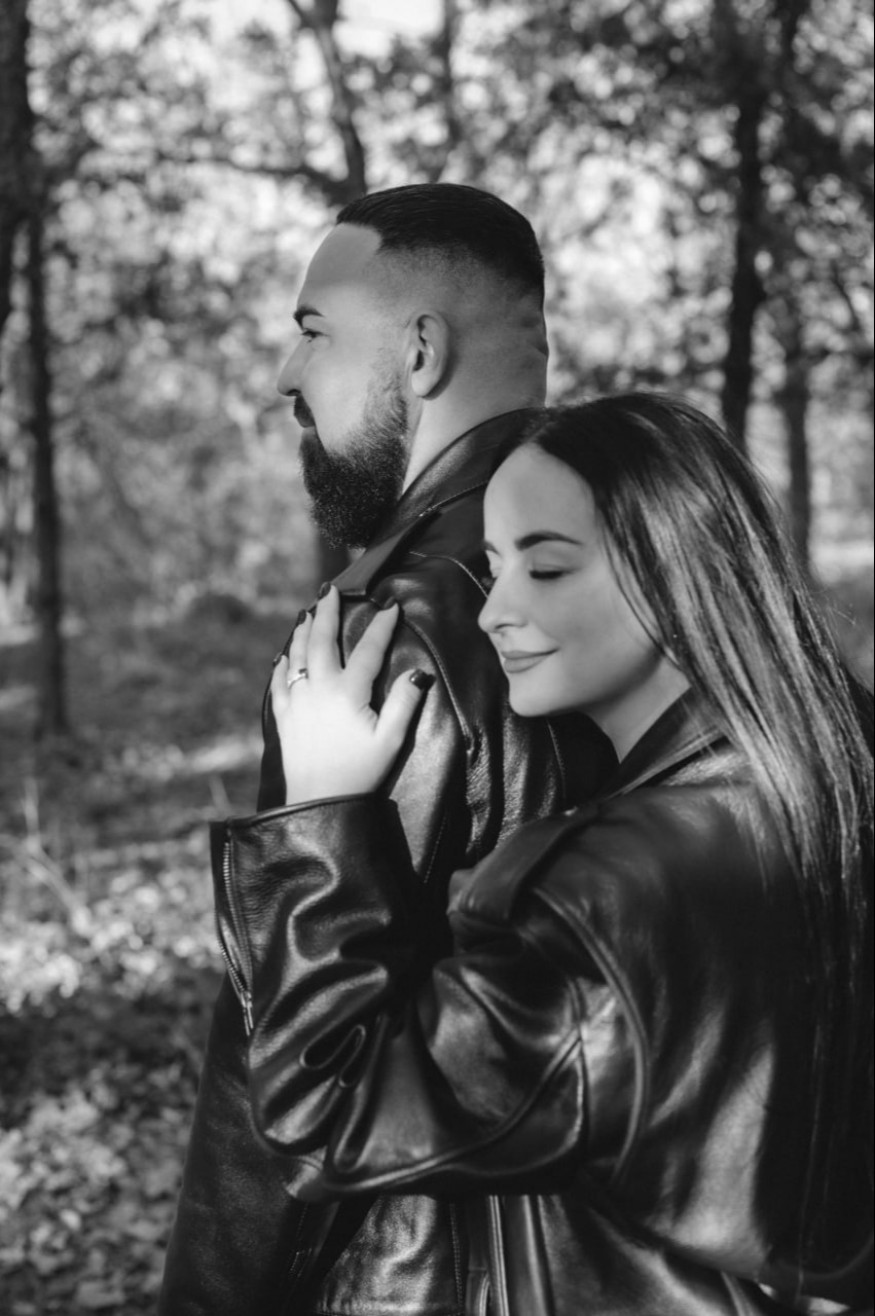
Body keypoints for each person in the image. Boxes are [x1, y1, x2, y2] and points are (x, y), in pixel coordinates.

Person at [211, 393, 873, 1315]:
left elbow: (328, 1119)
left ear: (678, 570)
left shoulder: (602, 891)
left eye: (547, 568)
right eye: (492, 570)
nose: (495, 613)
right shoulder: (835, 772)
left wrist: (319, 814)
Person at [159, 185, 611, 1314]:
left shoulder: (381, 637)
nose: (285, 376)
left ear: (419, 351)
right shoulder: (663, 565)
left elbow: (298, 1045)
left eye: (313, 332)